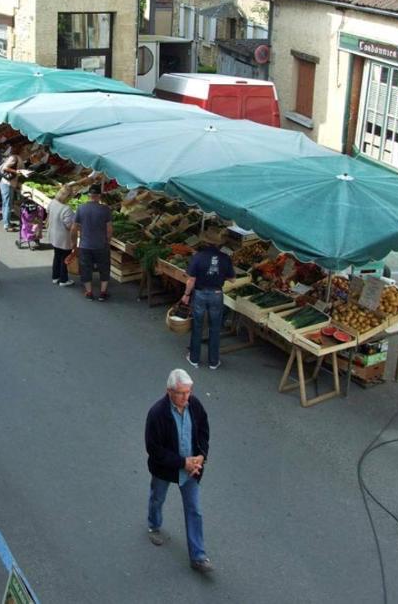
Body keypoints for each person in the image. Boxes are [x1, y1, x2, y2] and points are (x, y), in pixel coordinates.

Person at [145, 368, 212, 573]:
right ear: (169, 392)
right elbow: (154, 449)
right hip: (167, 469)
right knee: (158, 497)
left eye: (188, 392)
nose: (186, 397)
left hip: (191, 469)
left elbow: (203, 432)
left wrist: (201, 455)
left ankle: (198, 556)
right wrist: (183, 463)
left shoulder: (195, 406)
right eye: (181, 393)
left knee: (195, 510)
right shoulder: (157, 414)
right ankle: (153, 525)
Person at [183, 228, 235, 370]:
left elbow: (191, 280)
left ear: (205, 242)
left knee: (197, 326)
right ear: (218, 244)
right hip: (217, 294)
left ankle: (194, 359)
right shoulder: (225, 258)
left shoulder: (198, 257)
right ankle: (213, 361)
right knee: (215, 327)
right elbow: (232, 279)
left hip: (200, 293)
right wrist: (220, 275)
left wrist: (186, 295)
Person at [71, 183, 112, 302]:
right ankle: (103, 293)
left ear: (89, 195)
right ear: (99, 196)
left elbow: (74, 228)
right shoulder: (105, 209)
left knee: (85, 268)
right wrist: (107, 241)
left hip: (85, 245)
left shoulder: (81, 208)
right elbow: (109, 229)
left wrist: (74, 243)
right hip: (101, 245)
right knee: (104, 267)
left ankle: (89, 292)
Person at [47, 185, 76, 287]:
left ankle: (55, 277)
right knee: (65, 258)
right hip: (63, 238)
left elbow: (48, 212)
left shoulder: (53, 202)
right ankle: (63, 280)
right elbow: (69, 226)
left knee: (57, 256)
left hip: (53, 235)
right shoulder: (67, 209)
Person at [0, 151, 22, 230]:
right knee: (7, 204)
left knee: (7, 204)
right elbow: (5, 168)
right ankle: (7, 225)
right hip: (7, 184)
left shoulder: (18, 158)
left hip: (9, 184)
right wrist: (16, 172)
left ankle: (7, 222)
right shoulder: (14, 158)